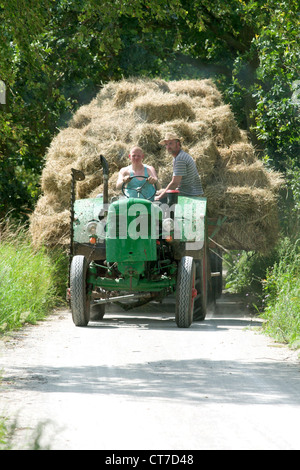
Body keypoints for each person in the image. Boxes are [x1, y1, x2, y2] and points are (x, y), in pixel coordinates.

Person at [155, 132, 203, 201]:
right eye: (166, 144)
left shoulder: (180, 159)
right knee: (158, 192)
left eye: (171, 143)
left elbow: (174, 183)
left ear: (178, 144)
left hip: (187, 194)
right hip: (187, 191)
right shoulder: (180, 156)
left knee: (156, 201)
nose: (168, 147)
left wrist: (159, 198)